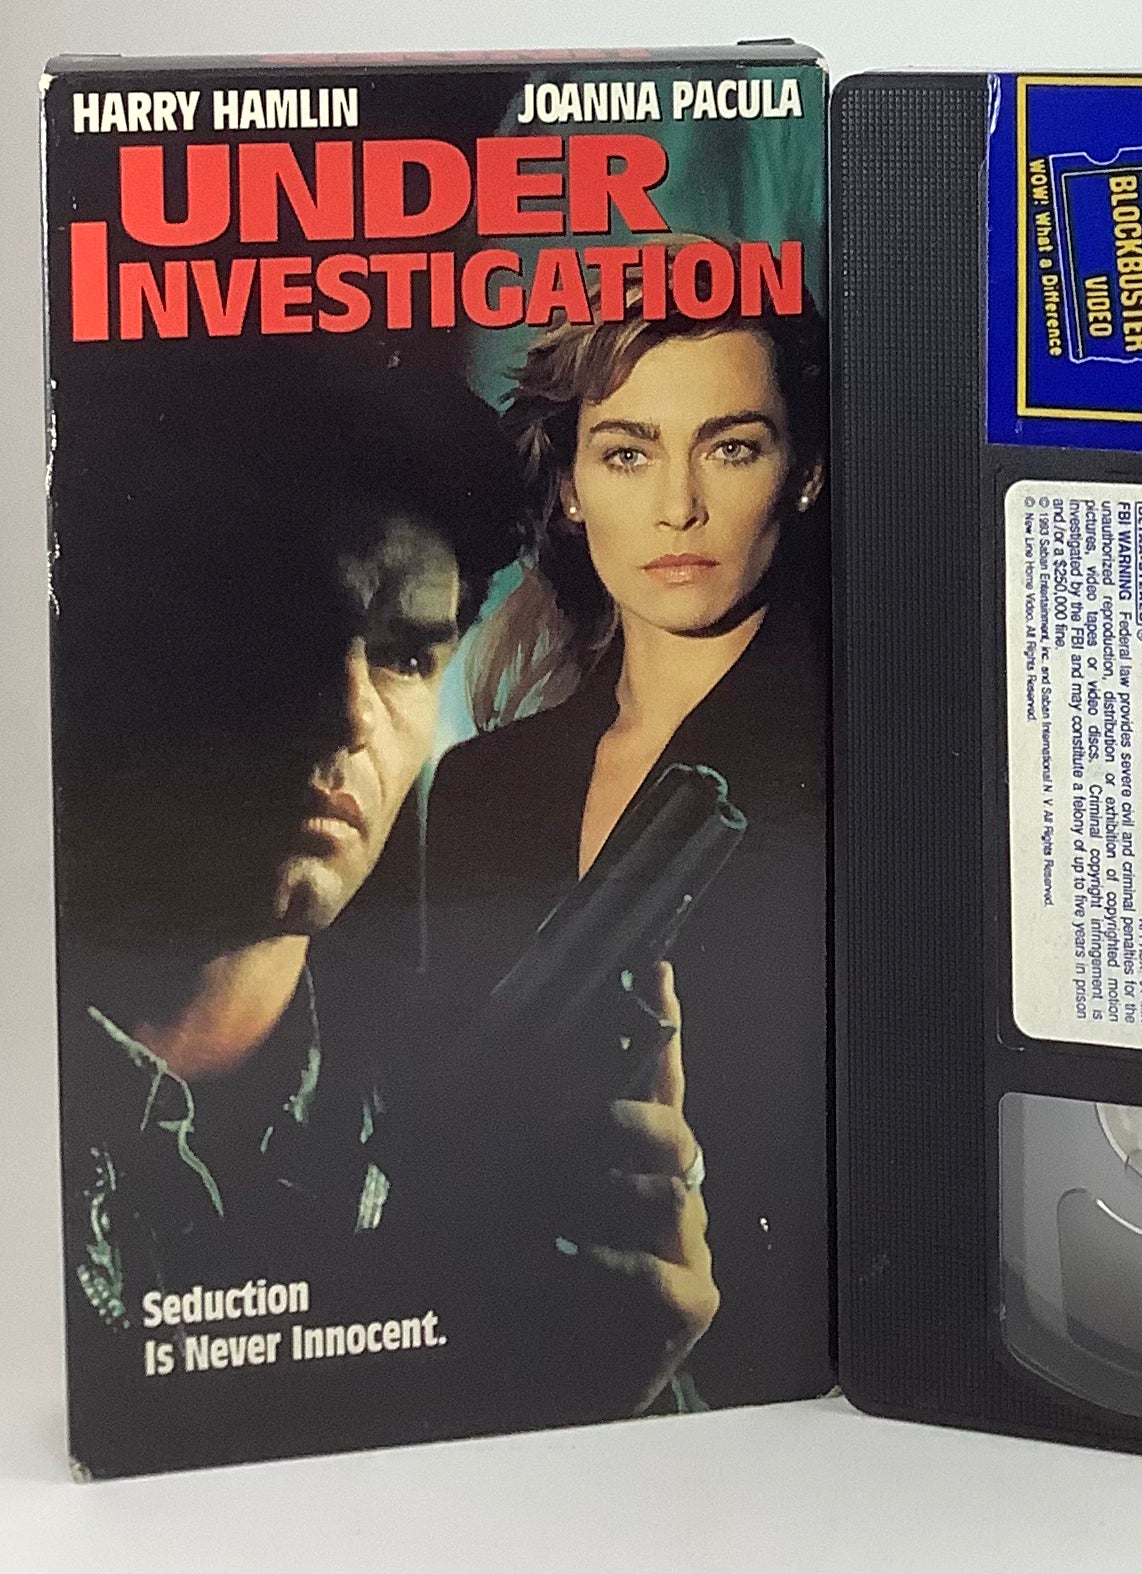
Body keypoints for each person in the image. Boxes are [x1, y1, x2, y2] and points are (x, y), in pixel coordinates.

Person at [52, 343, 717, 1474]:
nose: (352, 715)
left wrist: (630, 1385)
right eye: (282, 638)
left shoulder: (441, 1100)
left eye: (408, 658)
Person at [423, 238, 832, 1408]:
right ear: (569, 485)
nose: (677, 505)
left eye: (731, 446)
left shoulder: (857, 756)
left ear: (803, 473)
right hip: (510, 1369)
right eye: (627, 451)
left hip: (784, 1384)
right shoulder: (482, 788)